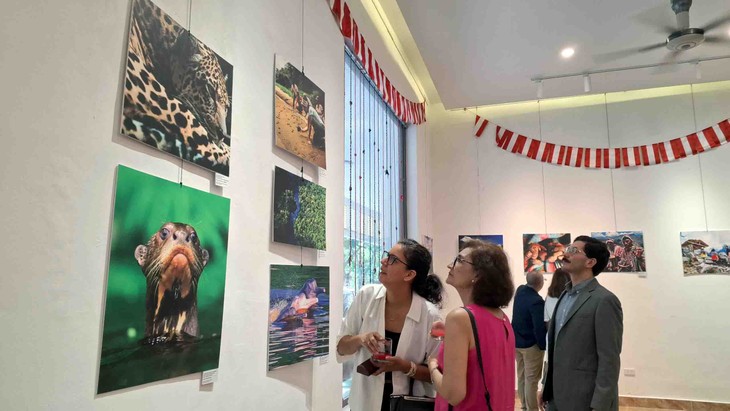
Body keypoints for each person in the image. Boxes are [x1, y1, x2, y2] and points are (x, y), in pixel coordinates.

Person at [337, 239, 443, 411]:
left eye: (393, 259)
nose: (383, 261)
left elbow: (438, 374)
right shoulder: (366, 296)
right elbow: (341, 347)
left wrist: (404, 366)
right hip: (365, 401)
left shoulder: (430, 316)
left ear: (409, 275)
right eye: (387, 255)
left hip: (409, 404)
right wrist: (361, 339)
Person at [428, 239, 516, 411]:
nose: (449, 265)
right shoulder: (501, 318)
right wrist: (451, 334)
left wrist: (431, 366)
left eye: (459, 260)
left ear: (478, 275)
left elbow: (453, 394)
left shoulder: (461, 318)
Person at [539, 236, 623, 411]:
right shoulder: (564, 295)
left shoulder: (605, 300)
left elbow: (609, 360)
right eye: (568, 248)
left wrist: (600, 404)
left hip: (584, 399)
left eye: (573, 251)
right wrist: (545, 386)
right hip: (555, 396)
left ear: (590, 262)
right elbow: (555, 347)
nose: (565, 253)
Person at [513, 272, 547, 411]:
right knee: (531, 380)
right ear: (540, 284)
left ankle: (524, 407)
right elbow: (538, 327)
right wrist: (542, 346)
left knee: (521, 377)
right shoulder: (537, 301)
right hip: (531, 345)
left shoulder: (520, 292)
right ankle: (531, 409)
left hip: (517, 342)